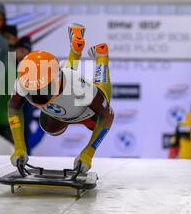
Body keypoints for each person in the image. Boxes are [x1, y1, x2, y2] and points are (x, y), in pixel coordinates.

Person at [7, 23, 115, 172]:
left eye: (43, 90)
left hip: (85, 109)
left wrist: (88, 153)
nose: (37, 95)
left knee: (102, 99)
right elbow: (13, 108)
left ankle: (101, 57)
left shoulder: (78, 87)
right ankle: (76, 49)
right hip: (70, 91)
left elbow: (108, 116)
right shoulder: (24, 81)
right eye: (33, 91)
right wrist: (19, 148)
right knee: (68, 77)